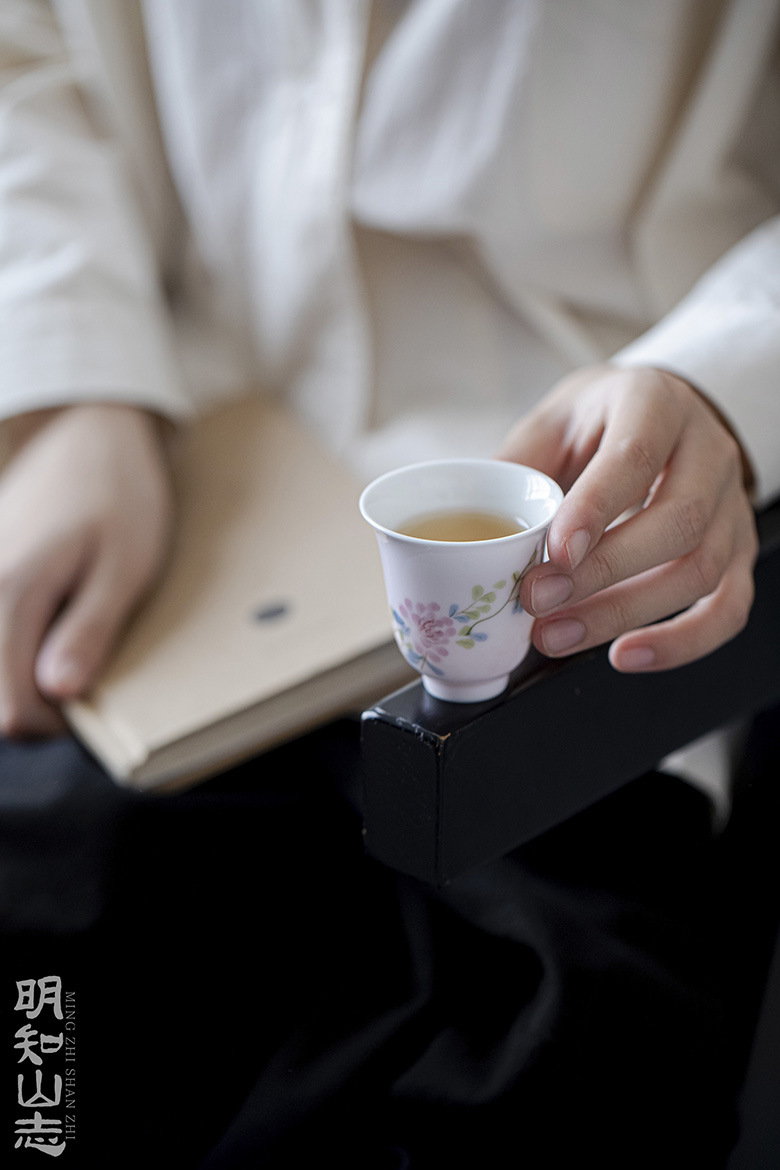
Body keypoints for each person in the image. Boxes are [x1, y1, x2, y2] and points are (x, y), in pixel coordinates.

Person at [0, 2, 778, 1165]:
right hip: (192, 524)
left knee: (553, 1074)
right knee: (45, 1042)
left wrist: (726, 382)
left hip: (584, 629)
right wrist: (73, 387)